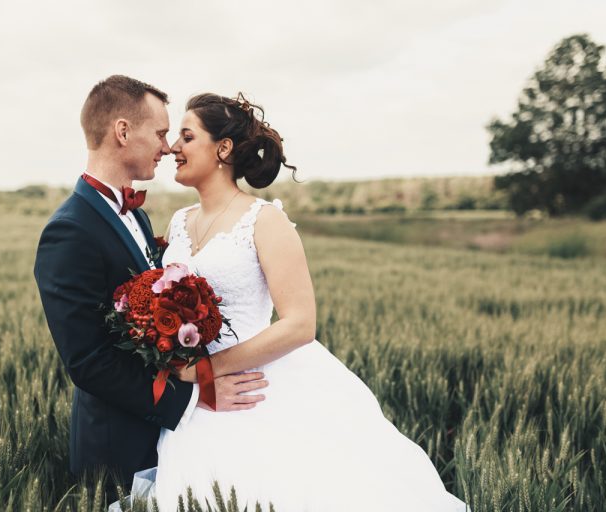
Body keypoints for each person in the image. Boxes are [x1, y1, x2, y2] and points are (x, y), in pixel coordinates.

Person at [149, 93, 468, 511]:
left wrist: (207, 370)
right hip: (195, 397)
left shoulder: (264, 220)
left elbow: (300, 324)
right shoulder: (179, 222)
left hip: (256, 386)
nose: (174, 147)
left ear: (222, 149)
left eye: (187, 136)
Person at [33, 76, 268, 500]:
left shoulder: (136, 216)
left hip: (170, 437)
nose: (167, 146)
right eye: (161, 133)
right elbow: (87, 361)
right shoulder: (69, 231)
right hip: (118, 446)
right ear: (123, 132)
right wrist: (195, 397)